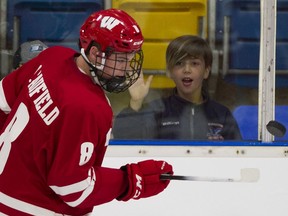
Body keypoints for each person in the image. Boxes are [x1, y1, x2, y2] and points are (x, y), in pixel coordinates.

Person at [0, 9, 173, 215]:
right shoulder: (88, 107)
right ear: (94, 53)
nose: (126, 69)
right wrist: (131, 180)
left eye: (131, 57)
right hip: (32, 209)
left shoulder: (52, 57)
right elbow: (71, 187)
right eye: (120, 59)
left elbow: (3, 99)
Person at [113, 35, 242, 140]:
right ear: (169, 71)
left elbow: (239, 157)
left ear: (206, 71)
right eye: (179, 63)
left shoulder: (221, 114)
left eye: (194, 63)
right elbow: (123, 139)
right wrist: (136, 102)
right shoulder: (157, 110)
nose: (187, 70)